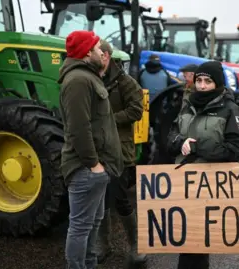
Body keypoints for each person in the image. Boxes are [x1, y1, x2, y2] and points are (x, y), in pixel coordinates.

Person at [167, 61, 239, 269]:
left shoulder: (230, 109)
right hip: (183, 182)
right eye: (199, 80)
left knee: (198, 243)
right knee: (186, 239)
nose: (201, 86)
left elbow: (235, 148)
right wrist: (179, 142)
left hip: (211, 185)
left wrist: (197, 147)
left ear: (217, 83)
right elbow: (171, 136)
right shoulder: (187, 105)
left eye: (207, 82)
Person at [58, 31, 123, 269]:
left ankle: (89, 264)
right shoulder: (78, 81)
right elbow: (78, 128)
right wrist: (93, 164)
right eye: (97, 49)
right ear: (87, 52)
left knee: (93, 222)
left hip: (96, 168)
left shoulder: (89, 77)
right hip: (86, 169)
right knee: (80, 226)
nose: (102, 53)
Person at [95, 41, 147, 265]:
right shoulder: (92, 78)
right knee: (100, 198)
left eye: (95, 52)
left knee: (120, 198)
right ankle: (103, 245)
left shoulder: (126, 82)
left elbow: (136, 111)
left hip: (120, 149)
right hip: (97, 148)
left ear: (105, 56)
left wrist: (108, 120)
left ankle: (136, 245)